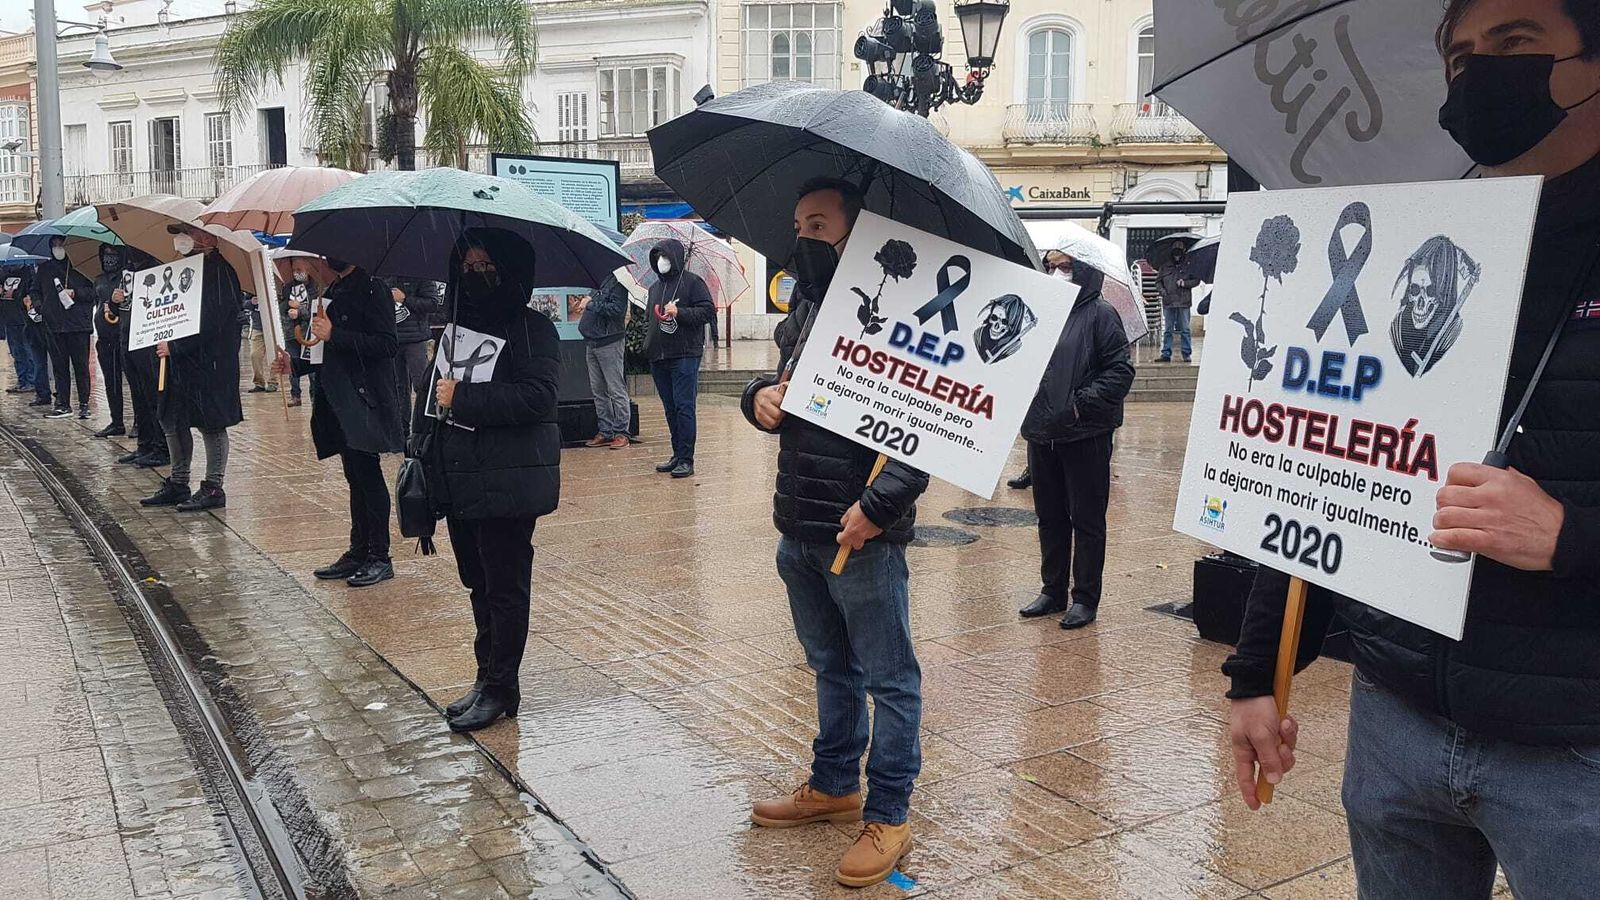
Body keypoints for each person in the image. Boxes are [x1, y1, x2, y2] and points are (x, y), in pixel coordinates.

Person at [1226, 3, 1600, 899]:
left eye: (1516, 45)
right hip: (1397, 717)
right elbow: (1323, 467)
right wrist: (1255, 673)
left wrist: (1570, 535)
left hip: (1575, 747)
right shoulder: (1411, 230)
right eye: (1461, 57)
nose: (1479, 75)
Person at [741, 179, 929, 889]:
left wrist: (878, 508)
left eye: (817, 224)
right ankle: (832, 784)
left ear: (857, 231)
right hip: (799, 526)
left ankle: (888, 812)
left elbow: (930, 431)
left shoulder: (904, 314)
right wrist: (757, 395)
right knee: (831, 668)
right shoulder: (807, 304)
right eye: (799, 223)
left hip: (863, 535)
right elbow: (779, 385)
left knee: (890, 679)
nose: (803, 237)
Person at [420, 228, 561, 733]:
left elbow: (538, 398)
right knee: (477, 584)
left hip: (509, 482)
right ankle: (487, 678)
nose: (476, 278)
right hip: (461, 479)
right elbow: (432, 400)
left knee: (504, 588)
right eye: (467, 268)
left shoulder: (533, 331)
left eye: (487, 268)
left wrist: (465, 398)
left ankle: (503, 687)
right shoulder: (454, 329)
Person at [1017, 255, 1135, 629]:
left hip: (1085, 434)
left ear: (1083, 269)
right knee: (1049, 517)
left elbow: (1120, 372)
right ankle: (1052, 590)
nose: (1057, 273)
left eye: (1065, 265)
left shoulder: (1101, 315)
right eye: (1051, 265)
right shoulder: (1040, 311)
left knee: (1086, 518)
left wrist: (1078, 404)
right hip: (1041, 431)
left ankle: (1085, 596)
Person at [278, 257, 403, 589]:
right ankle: (359, 549)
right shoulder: (333, 287)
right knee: (355, 475)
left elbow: (387, 345)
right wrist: (293, 364)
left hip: (363, 397)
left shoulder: (373, 288)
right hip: (337, 397)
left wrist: (337, 333)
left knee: (368, 473)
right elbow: (321, 350)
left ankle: (380, 555)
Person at [140, 226, 244, 512]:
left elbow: (211, 322)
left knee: (211, 423)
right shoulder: (188, 268)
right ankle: (178, 480)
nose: (182, 240)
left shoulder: (220, 272)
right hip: (184, 365)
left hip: (210, 364)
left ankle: (213, 486)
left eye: (188, 233)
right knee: (171, 418)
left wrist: (177, 346)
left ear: (208, 238)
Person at [643, 239, 715, 478]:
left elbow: (707, 311)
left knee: (684, 407)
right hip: (659, 355)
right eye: (657, 257)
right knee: (670, 408)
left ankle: (686, 458)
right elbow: (648, 320)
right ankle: (677, 454)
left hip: (684, 354)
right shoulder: (654, 288)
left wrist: (680, 312)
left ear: (675, 257)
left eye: (664, 256)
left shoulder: (693, 282)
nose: (661, 261)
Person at [31, 237, 96, 419]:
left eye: (61, 245)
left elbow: (93, 292)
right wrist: (40, 306)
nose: (58, 249)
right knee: (60, 368)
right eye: (54, 246)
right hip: (54, 326)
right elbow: (35, 290)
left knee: (81, 367)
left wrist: (76, 293)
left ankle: (84, 403)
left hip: (78, 326)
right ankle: (63, 404)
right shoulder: (45, 269)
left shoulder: (80, 269)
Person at [118, 248, 168, 467]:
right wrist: (114, 299)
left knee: (153, 397)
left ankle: (161, 447)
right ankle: (144, 444)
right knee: (138, 396)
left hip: (148, 340)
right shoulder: (127, 270)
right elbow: (121, 304)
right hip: (127, 337)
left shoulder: (157, 268)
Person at [578, 273, 631, 449]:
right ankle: (605, 430)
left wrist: (591, 304)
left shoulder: (619, 283)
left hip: (610, 342)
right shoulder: (598, 281)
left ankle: (622, 433)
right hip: (592, 341)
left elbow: (617, 310)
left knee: (616, 389)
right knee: (598, 390)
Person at [388, 276, 441, 439]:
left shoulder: (421, 275)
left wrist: (405, 299)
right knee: (398, 388)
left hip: (415, 339)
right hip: (392, 339)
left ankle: (427, 429)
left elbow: (432, 304)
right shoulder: (383, 275)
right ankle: (401, 431)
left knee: (422, 385)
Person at [92, 245, 128, 437]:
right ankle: (116, 421)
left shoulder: (126, 277)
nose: (109, 259)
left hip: (122, 336)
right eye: (106, 255)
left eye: (113, 255)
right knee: (111, 382)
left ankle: (140, 422)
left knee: (134, 383)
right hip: (104, 338)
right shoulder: (99, 279)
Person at [278, 255, 322, 408]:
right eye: (294, 269)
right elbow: (282, 306)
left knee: (312, 368)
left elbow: (317, 307)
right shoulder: (288, 287)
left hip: (310, 333)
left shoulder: (316, 287)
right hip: (291, 332)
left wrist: (301, 310)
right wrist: (288, 306)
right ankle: (295, 395)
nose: (296, 272)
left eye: (299, 269)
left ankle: (314, 397)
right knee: (292, 363)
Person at [1, 264, 37, 394]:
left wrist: (16, 293)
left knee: (28, 351)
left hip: (23, 319)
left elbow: (30, 294)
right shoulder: (3, 273)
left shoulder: (28, 273)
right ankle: (22, 380)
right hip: (9, 319)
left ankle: (31, 381)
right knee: (16, 352)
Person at [1156, 242, 1194, 363]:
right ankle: (1166, 353)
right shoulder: (1165, 266)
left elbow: (1196, 280)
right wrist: (1163, 292)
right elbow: (1158, 282)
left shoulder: (1188, 266)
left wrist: (1185, 283)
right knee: (1168, 329)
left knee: (1185, 329)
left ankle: (1186, 353)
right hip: (1169, 302)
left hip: (1184, 302)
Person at [244, 293, 275, 394]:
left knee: (275, 356)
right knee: (255, 355)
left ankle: (273, 382)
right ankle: (259, 382)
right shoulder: (251, 288)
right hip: (257, 328)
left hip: (273, 327)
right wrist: (251, 303)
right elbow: (243, 303)